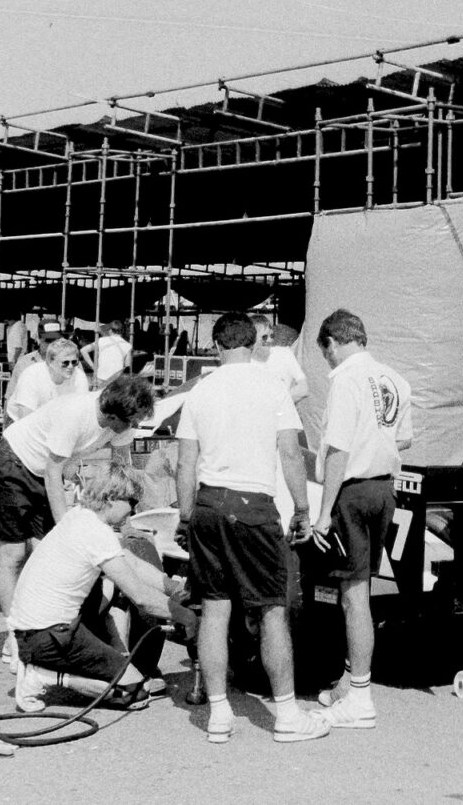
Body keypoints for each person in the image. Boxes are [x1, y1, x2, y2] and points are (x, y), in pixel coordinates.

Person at [176, 313, 330, 744]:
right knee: (271, 611)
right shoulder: (271, 386)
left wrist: (187, 518)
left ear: (217, 345)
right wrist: (301, 508)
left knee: (214, 608)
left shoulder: (201, 390)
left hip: (208, 503)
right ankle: (286, 715)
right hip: (254, 505)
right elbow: (291, 454)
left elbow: (186, 464)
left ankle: (219, 713)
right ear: (255, 343)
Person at [0, 375, 154, 668]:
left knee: (47, 555)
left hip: (44, 473)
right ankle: (14, 635)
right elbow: (54, 472)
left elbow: (121, 465)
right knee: (13, 555)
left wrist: (128, 514)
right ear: (113, 415)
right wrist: (67, 529)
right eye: (133, 422)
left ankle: (43, 626)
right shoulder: (74, 413)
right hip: (13, 464)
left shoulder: (120, 420)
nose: (135, 428)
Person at [9, 463, 191, 713]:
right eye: (132, 502)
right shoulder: (95, 532)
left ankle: (75, 665)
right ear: (112, 497)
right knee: (135, 692)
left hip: (36, 631)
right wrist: (190, 618)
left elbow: (130, 562)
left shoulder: (80, 517)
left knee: (113, 581)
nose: (133, 510)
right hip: (49, 637)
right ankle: (45, 677)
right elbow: (141, 596)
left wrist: (174, 590)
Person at [310, 309, 413, 729]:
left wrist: (321, 514)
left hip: (352, 490)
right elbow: (404, 436)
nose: (328, 362)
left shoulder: (346, 380)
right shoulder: (394, 378)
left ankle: (360, 696)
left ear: (332, 343)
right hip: (384, 487)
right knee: (363, 589)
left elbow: (338, 450)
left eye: (326, 354)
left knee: (353, 597)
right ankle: (350, 684)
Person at [6, 338, 88, 422]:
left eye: (74, 362)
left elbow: (82, 412)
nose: (70, 366)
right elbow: (25, 419)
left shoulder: (79, 376)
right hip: (21, 422)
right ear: (50, 361)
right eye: (65, 363)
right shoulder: (32, 375)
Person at [251, 314, 308, 403]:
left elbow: (304, 388)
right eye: (264, 337)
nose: (270, 340)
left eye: (272, 335)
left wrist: (280, 401)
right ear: (252, 339)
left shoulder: (284, 353)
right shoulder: (247, 362)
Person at [80, 320, 133, 386]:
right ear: (122, 332)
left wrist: (93, 366)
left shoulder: (101, 340)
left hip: (101, 377)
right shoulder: (128, 345)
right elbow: (127, 365)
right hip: (116, 379)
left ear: (110, 331)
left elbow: (83, 350)